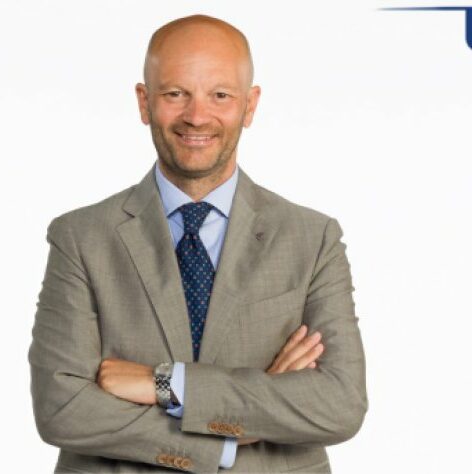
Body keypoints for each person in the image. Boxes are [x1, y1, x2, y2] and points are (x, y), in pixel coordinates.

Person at [28, 13, 368, 474]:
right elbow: (63, 408)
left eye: (220, 95)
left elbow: (340, 403)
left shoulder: (312, 238)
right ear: (144, 102)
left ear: (250, 106)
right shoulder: (81, 237)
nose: (197, 116)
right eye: (175, 94)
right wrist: (234, 431)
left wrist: (167, 384)